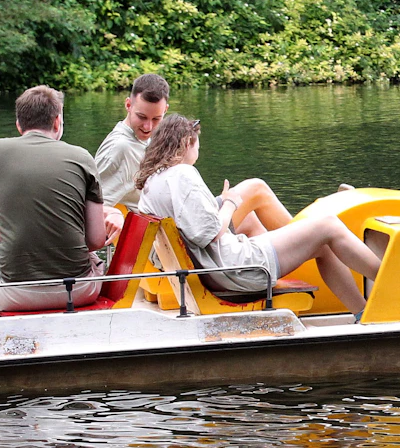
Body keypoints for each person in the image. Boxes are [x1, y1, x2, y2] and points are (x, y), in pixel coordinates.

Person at [133, 114, 381, 317]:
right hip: (235, 269)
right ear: (187, 142)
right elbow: (209, 233)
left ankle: (363, 313)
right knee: (327, 226)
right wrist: (228, 203)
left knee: (317, 241)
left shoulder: (153, 181)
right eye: (197, 144)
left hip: (217, 270)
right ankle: (391, 279)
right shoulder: (182, 173)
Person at [0, 86, 107, 315]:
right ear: (58, 122)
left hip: (14, 291)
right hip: (78, 291)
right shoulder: (82, 156)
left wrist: (28, 246)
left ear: (19, 124)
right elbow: (97, 239)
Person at [94, 74, 170, 207]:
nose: (148, 127)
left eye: (156, 119)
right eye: (141, 117)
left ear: (166, 110)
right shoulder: (121, 147)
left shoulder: (147, 140)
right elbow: (95, 206)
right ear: (128, 105)